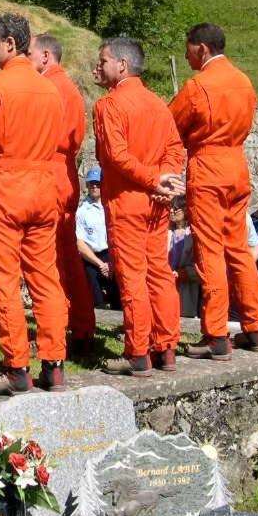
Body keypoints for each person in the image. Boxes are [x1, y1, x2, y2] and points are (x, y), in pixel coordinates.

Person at [0, 14, 67, 394]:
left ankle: (16, 367)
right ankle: (55, 365)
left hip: (6, 187)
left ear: (9, 43)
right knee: (45, 278)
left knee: (5, 280)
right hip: (44, 186)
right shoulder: (49, 89)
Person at [170, 23, 258, 359]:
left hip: (208, 166)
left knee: (209, 250)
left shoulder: (198, 85)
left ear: (202, 49)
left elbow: (173, 125)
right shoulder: (244, 80)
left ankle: (215, 334)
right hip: (237, 165)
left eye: (188, 48)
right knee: (238, 247)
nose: (185, 55)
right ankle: (254, 327)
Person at [93, 37, 185, 377]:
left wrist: (152, 179)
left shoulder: (109, 105)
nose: (99, 66)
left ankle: (138, 352)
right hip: (157, 201)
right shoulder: (158, 104)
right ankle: (167, 347)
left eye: (103, 61)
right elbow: (176, 149)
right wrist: (164, 180)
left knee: (132, 276)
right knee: (159, 272)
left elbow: (115, 157)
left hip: (127, 199)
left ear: (122, 65)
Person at [29, 33, 95, 353]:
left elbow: (44, 134)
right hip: (64, 171)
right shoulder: (67, 86)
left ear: (45, 56)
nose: (26, 61)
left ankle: (62, 324)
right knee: (66, 256)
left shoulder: (51, 86)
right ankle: (79, 324)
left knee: (52, 259)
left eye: (30, 54)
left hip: (51, 171)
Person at [75, 167, 120, 310]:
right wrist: (100, 264)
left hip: (112, 255)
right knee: (95, 300)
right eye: (91, 184)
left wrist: (112, 261)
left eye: (97, 183)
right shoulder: (82, 211)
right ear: (87, 186)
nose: (94, 187)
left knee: (118, 297)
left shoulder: (113, 205)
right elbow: (80, 242)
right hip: (91, 258)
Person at [168, 197, 200, 319]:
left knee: (184, 315)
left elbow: (199, 262)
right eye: (170, 208)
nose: (171, 211)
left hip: (186, 283)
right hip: (168, 280)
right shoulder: (167, 232)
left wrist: (185, 273)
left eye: (175, 209)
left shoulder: (192, 234)